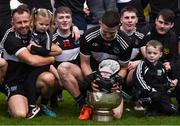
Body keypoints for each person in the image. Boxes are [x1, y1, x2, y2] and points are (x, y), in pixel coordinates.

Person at [1, 4, 57, 119]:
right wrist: (50, 58)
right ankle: (14, 101)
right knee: (20, 114)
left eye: (26, 21)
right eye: (19, 22)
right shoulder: (11, 38)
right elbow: (32, 61)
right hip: (14, 81)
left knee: (49, 79)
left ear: (31, 20)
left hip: (31, 79)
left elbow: (57, 49)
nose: (23, 25)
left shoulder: (35, 32)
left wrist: (43, 50)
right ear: (13, 23)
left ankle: (43, 105)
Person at [80, 10, 133, 119]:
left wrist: (116, 81)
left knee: (116, 116)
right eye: (105, 32)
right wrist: (92, 80)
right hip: (92, 71)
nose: (108, 35)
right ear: (100, 23)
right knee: (65, 68)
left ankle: (116, 95)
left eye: (112, 33)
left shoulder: (126, 42)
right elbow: (84, 63)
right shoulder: (88, 36)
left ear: (119, 26)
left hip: (112, 75)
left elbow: (123, 68)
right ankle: (81, 102)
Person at [52, 6, 86, 112]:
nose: (65, 20)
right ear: (55, 20)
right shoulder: (50, 38)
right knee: (47, 78)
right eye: (61, 17)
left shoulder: (80, 36)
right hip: (57, 77)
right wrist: (59, 78)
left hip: (76, 73)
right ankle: (48, 99)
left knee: (65, 67)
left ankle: (83, 100)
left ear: (72, 19)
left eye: (67, 17)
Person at [132, 40, 178, 116]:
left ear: (160, 54)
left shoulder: (161, 66)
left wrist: (171, 82)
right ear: (145, 53)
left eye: (155, 53)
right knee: (154, 97)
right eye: (149, 53)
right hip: (145, 91)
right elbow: (138, 78)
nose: (152, 55)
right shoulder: (142, 64)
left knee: (170, 110)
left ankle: (156, 107)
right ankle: (144, 104)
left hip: (159, 91)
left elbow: (165, 78)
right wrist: (150, 90)